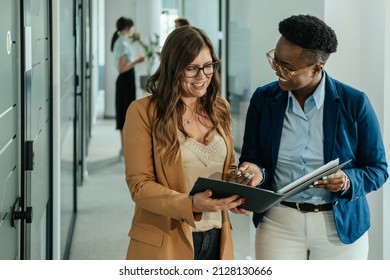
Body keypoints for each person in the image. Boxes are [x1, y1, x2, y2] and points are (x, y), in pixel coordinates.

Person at [239, 14, 388, 260]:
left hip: (339, 225)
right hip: (279, 222)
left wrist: (347, 181)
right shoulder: (263, 100)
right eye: (275, 60)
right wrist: (254, 171)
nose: (278, 70)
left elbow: (378, 169)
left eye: (287, 67)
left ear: (316, 68)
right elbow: (253, 157)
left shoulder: (354, 103)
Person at [122, 25, 257, 260]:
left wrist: (237, 184)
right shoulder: (143, 112)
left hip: (216, 236)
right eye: (191, 68)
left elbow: (227, 168)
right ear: (173, 69)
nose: (202, 76)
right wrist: (190, 204)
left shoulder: (219, 108)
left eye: (208, 66)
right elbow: (139, 186)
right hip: (166, 239)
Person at [110, 17, 145, 156]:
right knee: (125, 114)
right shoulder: (122, 44)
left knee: (125, 113)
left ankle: (124, 148)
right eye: (132, 27)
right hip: (125, 81)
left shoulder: (122, 41)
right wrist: (137, 61)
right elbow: (121, 68)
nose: (133, 30)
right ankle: (125, 149)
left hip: (126, 81)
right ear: (128, 27)